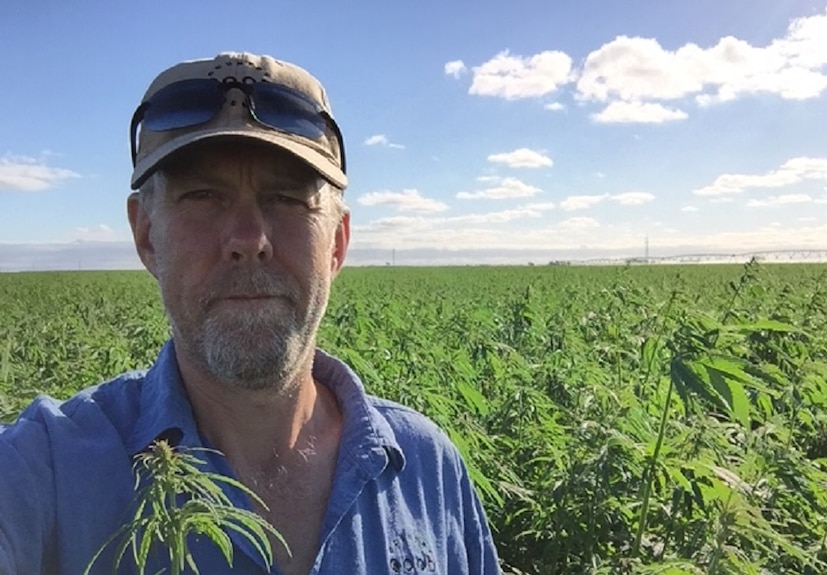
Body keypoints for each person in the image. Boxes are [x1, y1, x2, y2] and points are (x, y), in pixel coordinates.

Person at [0, 52, 501, 575]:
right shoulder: (45, 470)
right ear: (146, 236)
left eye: (285, 198)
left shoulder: (427, 469)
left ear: (337, 244)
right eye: (202, 196)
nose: (248, 240)